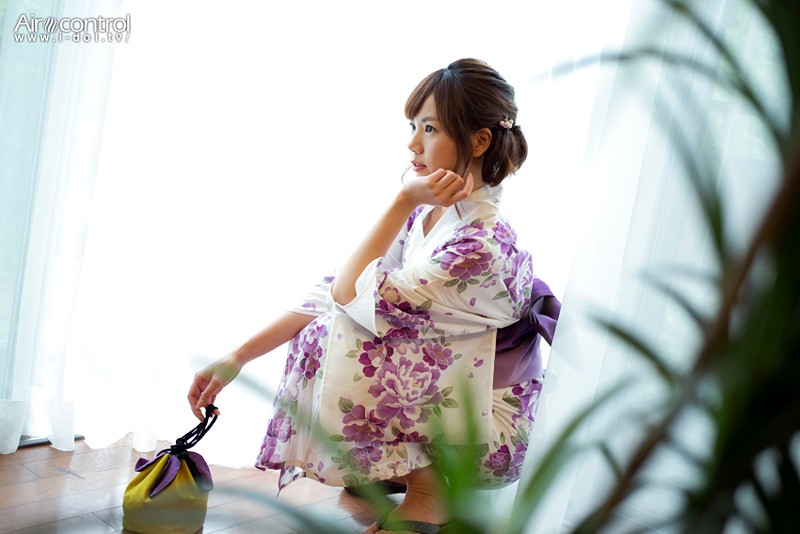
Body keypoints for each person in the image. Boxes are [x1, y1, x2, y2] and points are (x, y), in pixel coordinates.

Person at [188, 58, 553, 534]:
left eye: (429, 128)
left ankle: (430, 493)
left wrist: (402, 199)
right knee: (336, 325)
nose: (413, 143)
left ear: (480, 141)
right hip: (460, 395)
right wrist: (237, 356)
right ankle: (404, 468)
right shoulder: (435, 214)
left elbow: (349, 297)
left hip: (489, 430)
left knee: (336, 337)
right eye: (412, 126)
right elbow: (334, 288)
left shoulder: (481, 245)